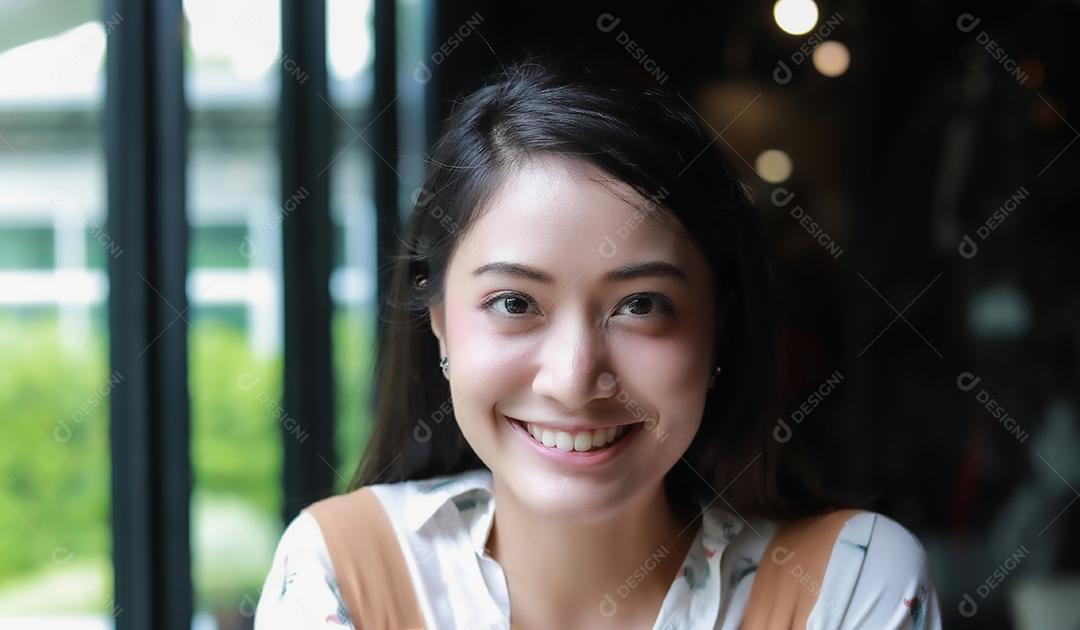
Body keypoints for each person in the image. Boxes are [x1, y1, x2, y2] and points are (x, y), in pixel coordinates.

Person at [254, 56, 943, 629]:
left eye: (641, 305)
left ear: (719, 325)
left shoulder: (850, 584)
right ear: (438, 319)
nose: (576, 377)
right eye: (515, 303)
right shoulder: (341, 573)